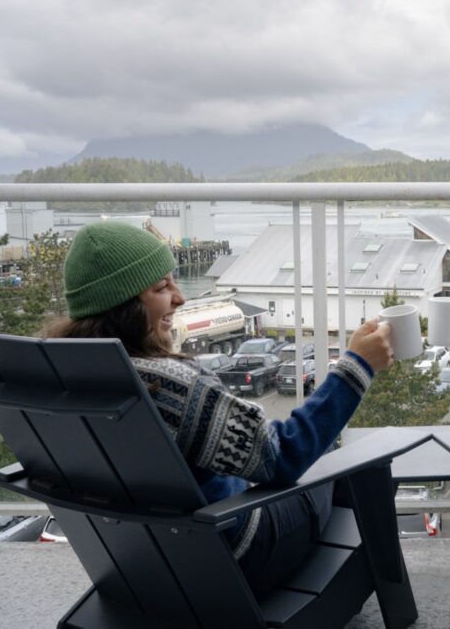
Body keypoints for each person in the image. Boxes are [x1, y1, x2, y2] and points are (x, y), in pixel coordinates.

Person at [42, 220, 394, 597]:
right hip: (236, 553)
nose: (180, 298)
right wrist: (358, 364)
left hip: (140, 563)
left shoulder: (62, 377)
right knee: (339, 455)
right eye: (162, 288)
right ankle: (358, 588)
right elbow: (285, 454)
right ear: (122, 307)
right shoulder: (167, 389)